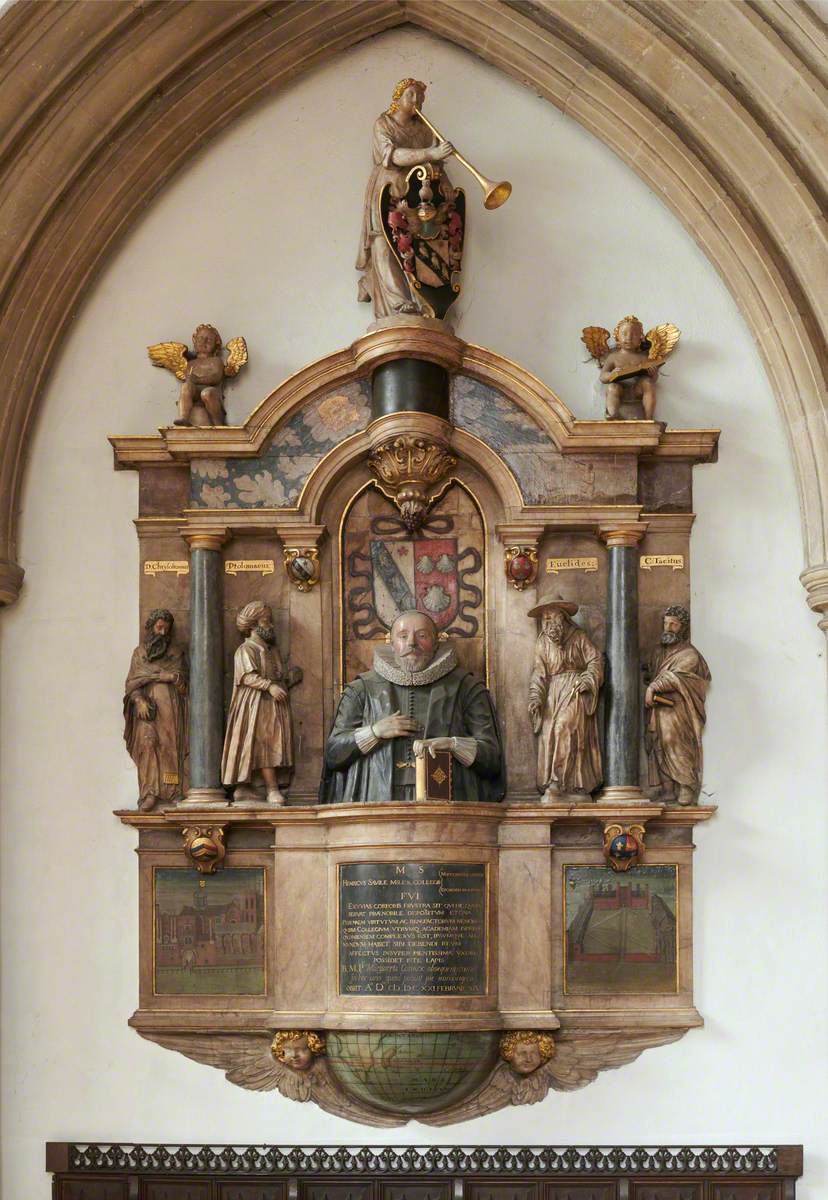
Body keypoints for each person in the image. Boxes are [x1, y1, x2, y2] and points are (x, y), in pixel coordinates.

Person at [320, 609, 504, 804]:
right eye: (403, 635)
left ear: (436, 643)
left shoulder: (466, 688)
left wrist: (453, 745)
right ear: (391, 643)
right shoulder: (361, 689)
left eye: (422, 635)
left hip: (450, 806)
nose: (412, 643)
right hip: (376, 803)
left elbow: (491, 759)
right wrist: (374, 732)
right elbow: (334, 754)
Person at [356, 77, 454, 318]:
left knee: (413, 245)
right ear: (397, 98)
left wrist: (445, 181)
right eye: (410, 95)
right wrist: (430, 152)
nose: (416, 101)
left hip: (416, 195)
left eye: (420, 97)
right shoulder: (384, 124)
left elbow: (433, 163)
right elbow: (393, 156)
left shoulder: (423, 129)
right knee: (383, 239)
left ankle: (420, 299)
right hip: (387, 189)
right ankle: (398, 303)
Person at [221, 601, 300, 805]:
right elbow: (247, 676)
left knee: (271, 743)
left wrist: (288, 680)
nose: (271, 626)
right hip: (254, 705)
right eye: (266, 621)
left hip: (270, 704)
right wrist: (269, 686)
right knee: (264, 744)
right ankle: (270, 789)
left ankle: (247, 788)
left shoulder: (270, 650)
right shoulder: (246, 649)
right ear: (253, 625)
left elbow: (275, 676)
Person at [527, 600, 603, 801]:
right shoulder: (542, 643)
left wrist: (588, 679)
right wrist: (536, 697)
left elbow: (595, 660)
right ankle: (562, 784)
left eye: (551, 618)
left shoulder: (578, 637)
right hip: (552, 693)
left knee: (564, 728)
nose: (547, 624)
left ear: (562, 618)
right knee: (550, 735)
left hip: (574, 691)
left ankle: (558, 781)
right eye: (544, 620)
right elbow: (539, 673)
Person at [645, 605, 711, 805]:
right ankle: (667, 788)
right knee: (657, 743)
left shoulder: (689, 654)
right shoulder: (658, 652)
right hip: (658, 707)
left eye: (673, 624)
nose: (668, 627)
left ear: (683, 628)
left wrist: (653, 686)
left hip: (677, 708)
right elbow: (651, 671)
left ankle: (686, 785)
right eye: (666, 623)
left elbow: (675, 676)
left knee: (674, 741)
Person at [123, 608, 188, 811]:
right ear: (150, 627)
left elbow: (185, 685)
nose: (162, 633)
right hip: (146, 708)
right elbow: (131, 683)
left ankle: (172, 791)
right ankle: (149, 792)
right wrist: (138, 700)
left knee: (169, 746)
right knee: (147, 743)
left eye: (166, 630)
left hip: (170, 707)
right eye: (159, 628)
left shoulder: (176, 653)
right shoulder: (140, 654)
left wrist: (173, 678)